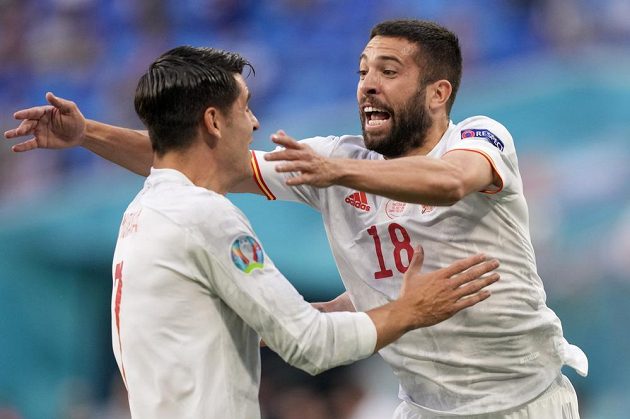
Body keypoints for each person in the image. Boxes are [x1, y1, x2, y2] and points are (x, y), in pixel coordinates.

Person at [4, 20, 586, 418]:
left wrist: (337, 177)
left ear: (438, 93)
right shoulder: (333, 160)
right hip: (422, 405)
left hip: (522, 399)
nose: (367, 85)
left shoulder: (480, 138)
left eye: (388, 71)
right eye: (362, 71)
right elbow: (205, 160)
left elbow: (451, 182)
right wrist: (87, 135)